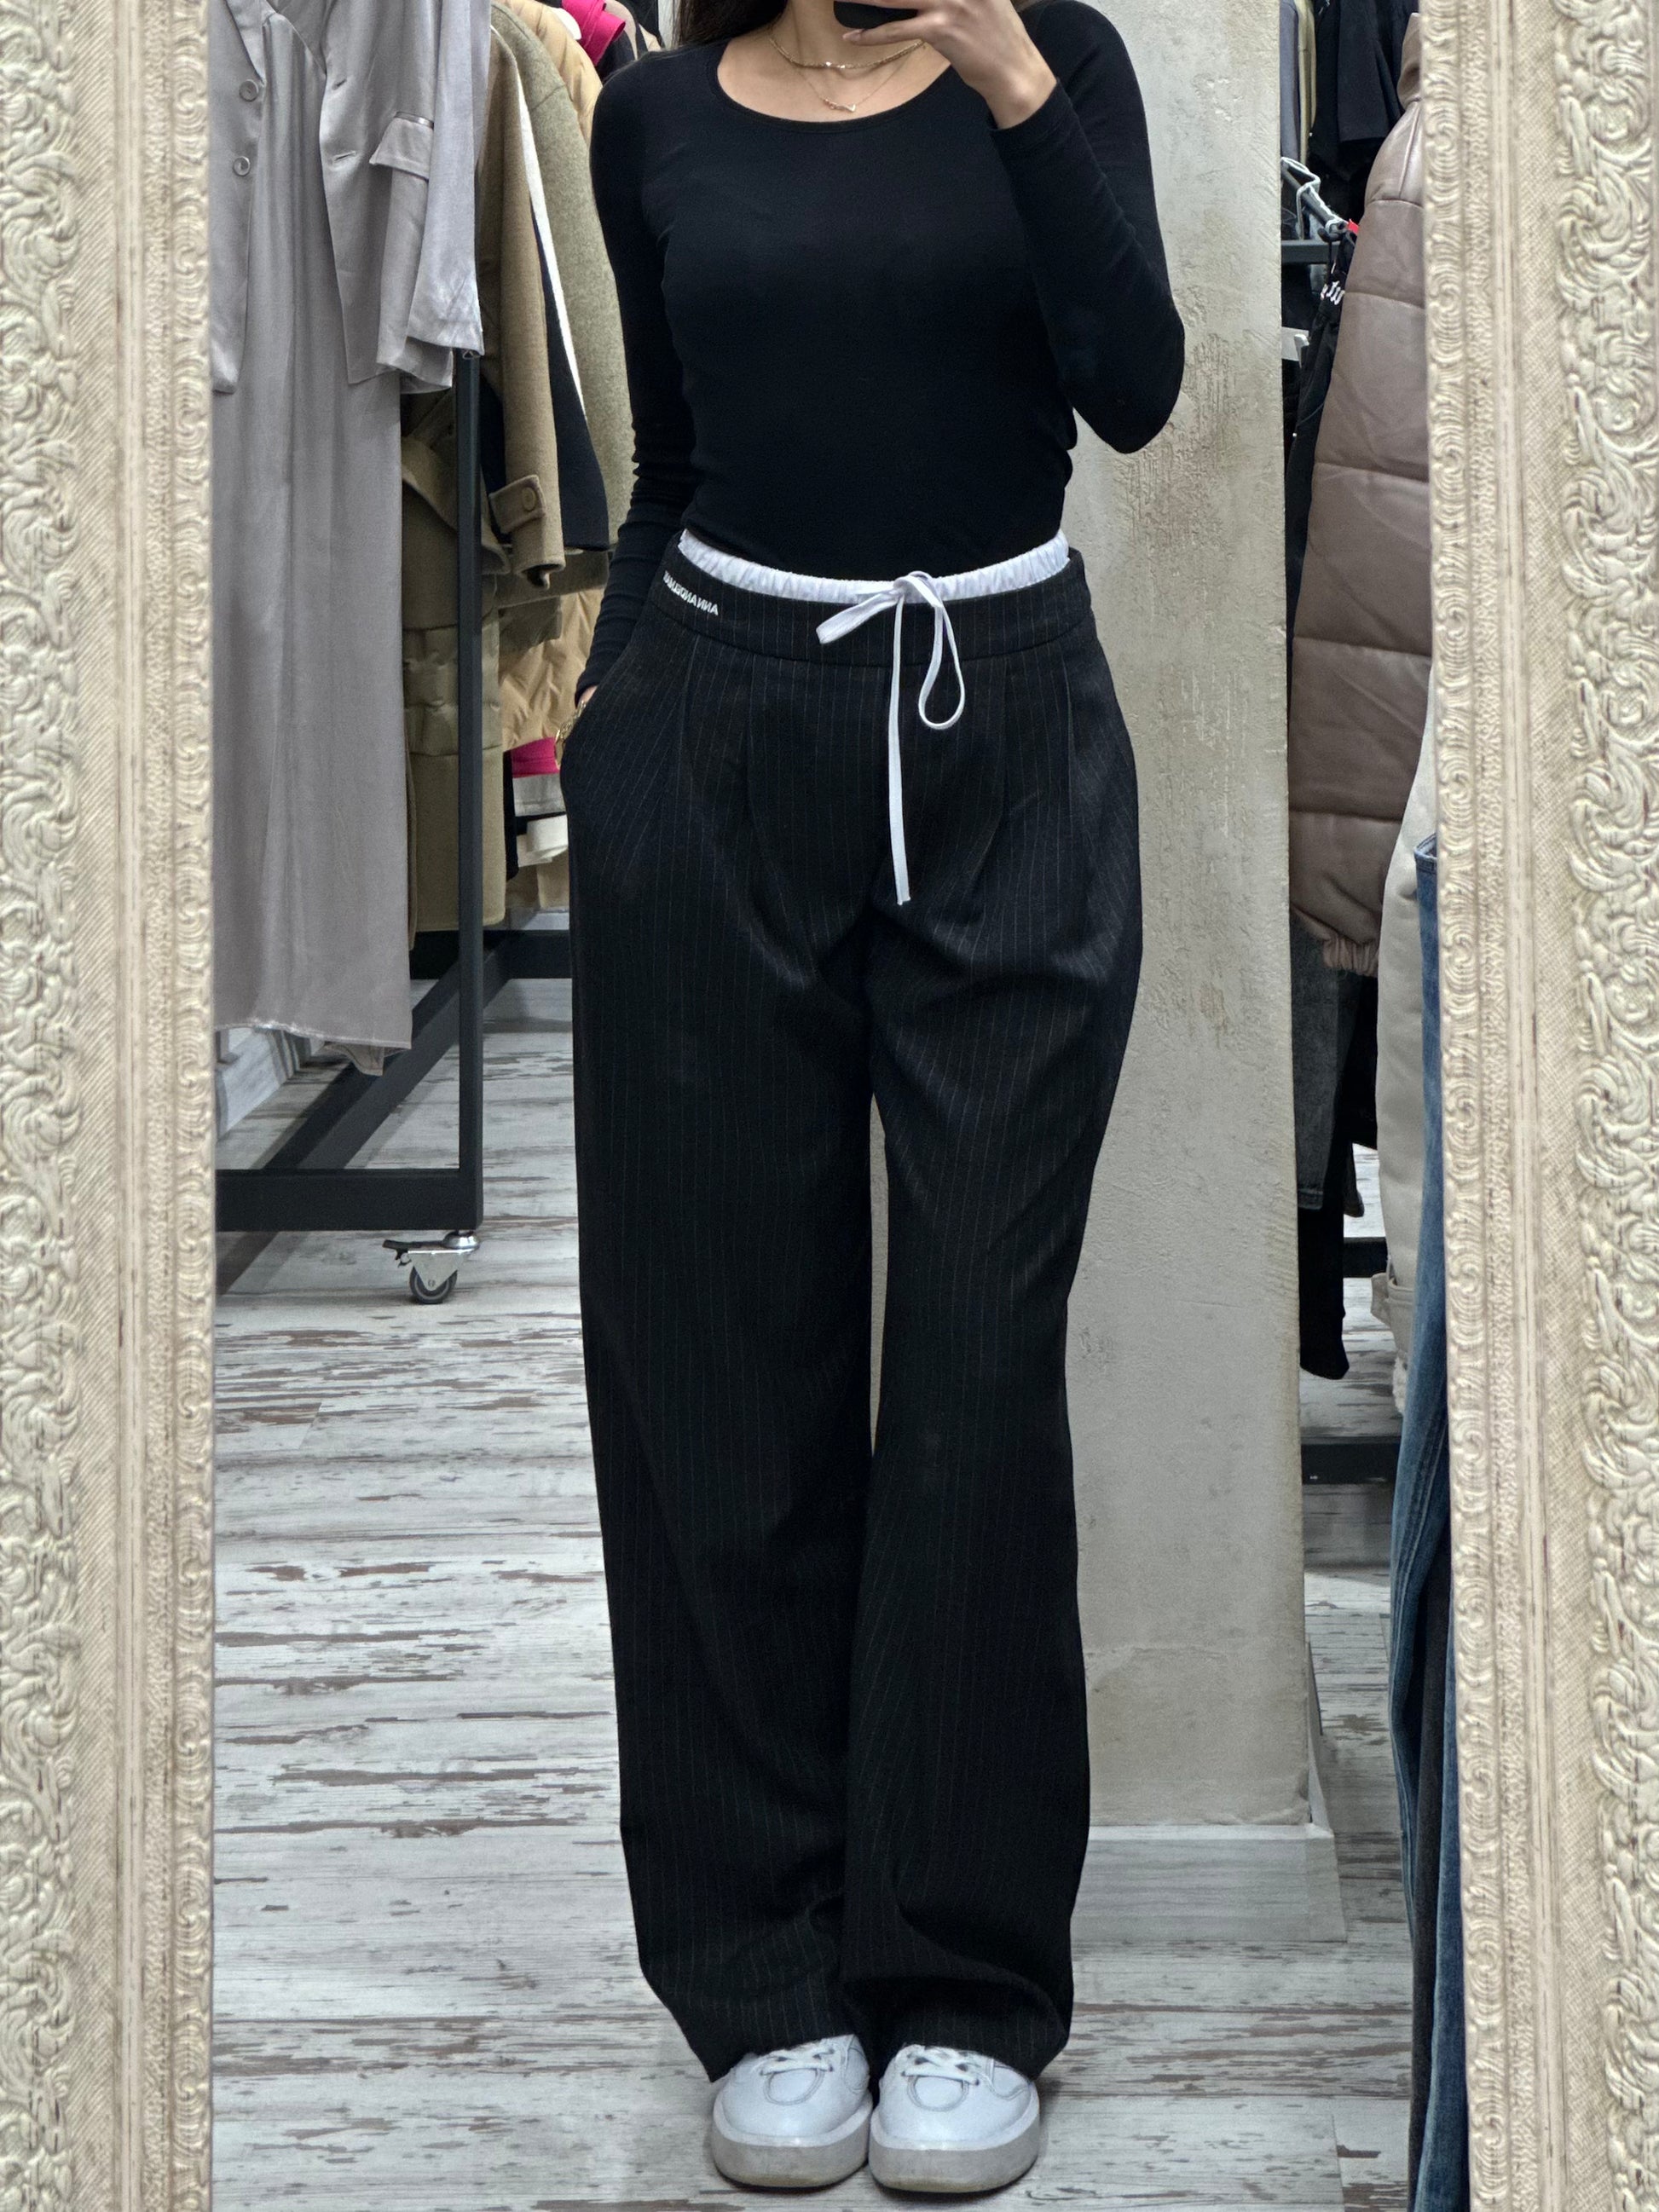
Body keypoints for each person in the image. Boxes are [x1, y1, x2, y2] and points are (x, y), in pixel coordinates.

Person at [561, 0, 1182, 2186]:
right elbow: (668, 461)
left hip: (1002, 717)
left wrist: (1010, 79)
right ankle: (762, 1967)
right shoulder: (650, 114)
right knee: (720, 1357)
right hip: (717, 720)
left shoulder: (1059, 61)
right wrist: (621, 720)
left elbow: (1136, 383)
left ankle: (968, 1978)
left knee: (979, 1367)